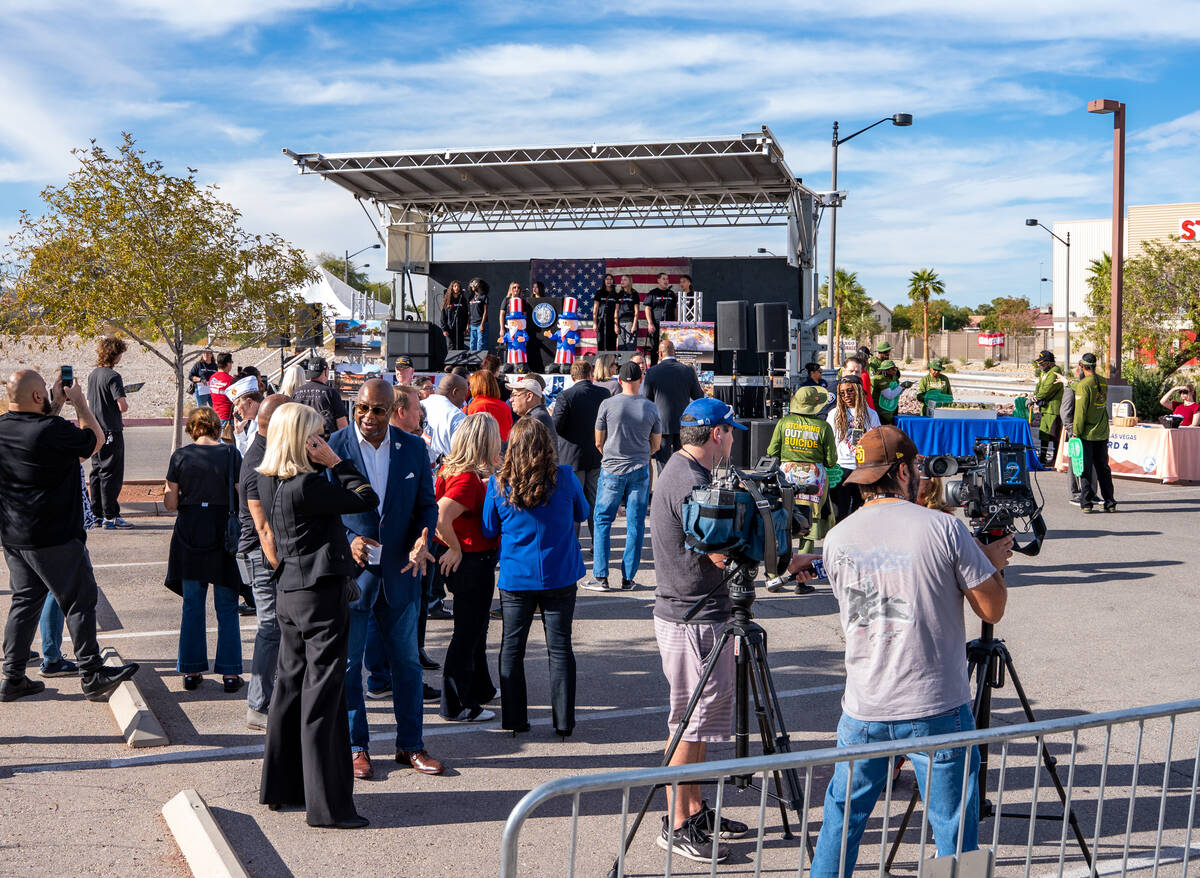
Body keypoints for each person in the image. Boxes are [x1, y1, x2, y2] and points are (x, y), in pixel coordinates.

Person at [810, 425, 1012, 878]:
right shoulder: (943, 528)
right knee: (954, 833)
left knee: (842, 821)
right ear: (905, 470)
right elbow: (992, 609)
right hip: (935, 704)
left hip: (865, 705)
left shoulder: (837, 538)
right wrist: (990, 564)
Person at [649, 396, 817, 862]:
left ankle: (695, 808)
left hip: (702, 613)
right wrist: (782, 558)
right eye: (730, 433)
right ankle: (677, 824)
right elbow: (720, 553)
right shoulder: (689, 482)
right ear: (717, 434)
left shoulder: (688, 473)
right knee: (687, 723)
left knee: (699, 724)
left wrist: (778, 554)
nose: (732, 442)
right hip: (692, 616)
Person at [255, 402, 375, 829]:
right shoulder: (308, 485)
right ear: (303, 439)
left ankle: (283, 788)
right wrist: (337, 461)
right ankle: (328, 807)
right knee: (323, 696)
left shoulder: (268, 479)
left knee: (289, 690)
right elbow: (366, 497)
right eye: (317, 436)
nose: (322, 442)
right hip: (319, 596)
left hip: (289, 590)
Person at [0, 370, 138, 702]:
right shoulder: (54, 431)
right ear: (37, 397)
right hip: (55, 536)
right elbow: (96, 439)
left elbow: (39, 434)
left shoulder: (5, 428)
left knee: (25, 601)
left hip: (15, 536)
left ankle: (13, 676)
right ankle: (91, 674)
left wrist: (57, 403)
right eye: (44, 393)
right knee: (79, 598)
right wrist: (79, 402)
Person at [328, 380, 441, 781]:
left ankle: (410, 744)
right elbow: (320, 512)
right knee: (349, 667)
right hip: (353, 578)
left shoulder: (412, 447)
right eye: (362, 408)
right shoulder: (334, 446)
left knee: (408, 665)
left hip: (401, 575)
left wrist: (423, 538)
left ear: (393, 409)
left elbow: (426, 506)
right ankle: (357, 747)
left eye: (377, 410)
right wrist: (350, 540)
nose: (368, 417)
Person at [481, 418, 588, 736]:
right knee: (560, 647)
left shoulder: (499, 483)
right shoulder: (564, 477)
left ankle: (514, 719)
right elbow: (582, 512)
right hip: (560, 574)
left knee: (512, 648)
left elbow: (489, 528)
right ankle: (564, 722)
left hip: (517, 576)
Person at [163, 407, 244, 692]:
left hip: (190, 532)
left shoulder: (180, 457)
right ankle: (231, 673)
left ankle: (191, 670)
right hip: (223, 533)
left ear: (193, 428)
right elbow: (241, 494)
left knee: (192, 606)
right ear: (216, 427)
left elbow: (170, 504)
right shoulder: (232, 455)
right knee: (227, 607)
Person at [434, 413, 502, 723]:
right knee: (467, 633)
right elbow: (439, 516)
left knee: (475, 630)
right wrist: (455, 547)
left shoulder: (455, 471)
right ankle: (456, 703)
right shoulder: (466, 479)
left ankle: (479, 687)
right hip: (472, 562)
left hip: (474, 560)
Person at [584, 361, 661, 592]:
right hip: (639, 470)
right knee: (635, 525)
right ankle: (628, 578)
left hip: (611, 469)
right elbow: (655, 445)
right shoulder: (651, 407)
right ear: (640, 380)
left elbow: (598, 441)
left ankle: (600, 576)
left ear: (619, 380)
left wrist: (611, 452)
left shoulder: (607, 404)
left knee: (603, 521)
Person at [239, 394, 289, 730]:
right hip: (260, 555)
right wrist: (283, 568)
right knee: (270, 628)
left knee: (276, 628)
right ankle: (258, 706)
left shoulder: (266, 452)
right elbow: (264, 529)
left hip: (262, 553)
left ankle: (273, 698)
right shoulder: (259, 461)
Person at [767, 385, 837, 556]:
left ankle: (780, 564)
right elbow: (831, 460)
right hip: (815, 480)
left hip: (787, 478)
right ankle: (802, 573)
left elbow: (771, 452)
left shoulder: (784, 423)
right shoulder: (824, 427)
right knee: (811, 523)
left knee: (784, 516)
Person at [551, 358, 609, 535]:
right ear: (590, 374)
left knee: (571, 502)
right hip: (597, 455)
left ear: (572, 376)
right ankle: (597, 543)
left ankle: (573, 544)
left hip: (571, 457)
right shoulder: (604, 394)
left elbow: (556, 426)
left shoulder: (565, 396)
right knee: (596, 503)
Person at [87, 335, 133, 530]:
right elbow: (122, 406)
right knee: (111, 473)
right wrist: (124, 397)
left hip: (95, 429)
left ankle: (96, 513)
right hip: (111, 429)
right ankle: (111, 515)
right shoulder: (113, 377)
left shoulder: (93, 374)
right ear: (115, 354)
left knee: (97, 471)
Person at [643, 338, 704, 472]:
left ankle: (664, 489)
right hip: (684, 424)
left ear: (659, 354)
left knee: (662, 464)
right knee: (683, 462)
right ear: (674, 352)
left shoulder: (652, 372)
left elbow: (646, 400)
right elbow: (699, 396)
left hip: (661, 425)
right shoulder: (688, 371)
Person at [827, 377, 881, 521]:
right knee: (840, 511)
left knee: (861, 511)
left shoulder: (871, 414)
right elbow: (830, 442)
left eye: (850, 391)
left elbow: (876, 441)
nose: (846, 396)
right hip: (841, 468)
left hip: (862, 468)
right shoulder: (834, 414)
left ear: (858, 390)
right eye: (842, 393)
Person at [1073, 353, 1116, 513]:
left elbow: (1080, 412)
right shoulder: (1103, 382)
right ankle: (1110, 502)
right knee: (1103, 468)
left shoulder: (1083, 385)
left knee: (1085, 468)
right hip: (1102, 431)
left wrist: (1076, 432)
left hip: (1088, 434)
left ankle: (1086, 502)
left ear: (1082, 366)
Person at [291, 356, 348, 439]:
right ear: (326, 372)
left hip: (302, 440)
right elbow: (342, 423)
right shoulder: (331, 392)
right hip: (326, 442)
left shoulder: (296, 392)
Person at [424, 373, 469, 461]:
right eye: (464, 395)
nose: (464, 400)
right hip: (445, 471)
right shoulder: (457, 417)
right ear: (455, 392)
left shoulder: (419, 405)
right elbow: (461, 457)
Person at [1033, 350, 1064, 465]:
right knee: (1044, 434)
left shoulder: (1055, 371)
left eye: (1043, 363)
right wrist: (1035, 396)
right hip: (1045, 408)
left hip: (1054, 408)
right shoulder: (1044, 372)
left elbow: (1047, 389)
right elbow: (1039, 386)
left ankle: (1056, 458)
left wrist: (1035, 399)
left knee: (1054, 434)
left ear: (1050, 363)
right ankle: (1042, 457)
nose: (1040, 366)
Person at [466, 369, 513, 442]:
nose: (470, 389)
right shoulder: (505, 406)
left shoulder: (473, 407)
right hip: (502, 450)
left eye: (471, 386)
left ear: (476, 387)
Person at [642, 272, 678, 363]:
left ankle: (667, 366)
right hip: (656, 325)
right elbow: (647, 308)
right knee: (655, 348)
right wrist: (650, 323)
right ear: (658, 281)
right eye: (663, 279)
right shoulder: (653, 293)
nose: (666, 281)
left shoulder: (671, 293)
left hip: (669, 326)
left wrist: (676, 322)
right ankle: (654, 367)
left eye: (667, 279)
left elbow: (675, 309)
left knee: (668, 347)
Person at [870, 359, 906, 426]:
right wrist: (901, 386)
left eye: (895, 368)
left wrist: (903, 388)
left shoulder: (893, 379)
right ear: (886, 370)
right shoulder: (879, 379)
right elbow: (889, 396)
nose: (895, 370)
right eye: (892, 369)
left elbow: (896, 393)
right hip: (880, 411)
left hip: (890, 409)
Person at [208, 352, 236, 427]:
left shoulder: (212, 378)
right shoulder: (231, 380)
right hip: (227, 417)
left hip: (215, 416)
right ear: (228, 364)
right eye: (231, 362)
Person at [440, 279, 469, 350]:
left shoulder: (462, 299)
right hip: (450, 328)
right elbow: (443, 316)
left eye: (458, 286)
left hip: (460, 329)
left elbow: (466, 315)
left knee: (460, 347)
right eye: (455, 286)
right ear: (451, 288)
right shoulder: (447, 300)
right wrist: (444, 329)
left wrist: (465, 328)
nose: (456, 288)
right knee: (451, 347)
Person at [593, 273, 619, 352]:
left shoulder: (615, 294)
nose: (609, 281)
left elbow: (616, 310)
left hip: (612, 322)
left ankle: (612, 363)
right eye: (607, 279)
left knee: (612, 345)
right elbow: (595, 308)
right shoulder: (599, 293)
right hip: (601, 321)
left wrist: (616, 324)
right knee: (601, 344)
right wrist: (595, 323)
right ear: (604, 281)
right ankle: (600, 363)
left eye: (611, 279)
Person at [232, 389, 263, 455]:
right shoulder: (254, 422)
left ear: (250, 402)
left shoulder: (266, 422)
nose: (235, 410)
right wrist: (239, 432)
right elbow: (246, 454)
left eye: (237, 404)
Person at [616, 275, 640, 351]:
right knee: (621, 347)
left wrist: (634, 324)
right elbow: (616, 311)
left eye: (625, 280)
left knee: (630, 347)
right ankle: (621, 363)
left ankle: (630, 362)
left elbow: (636, 311)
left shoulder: (634, 294)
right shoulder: (619, 294)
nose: (622, 281)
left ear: (629, 282)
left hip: (630, 322)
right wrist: (615, 325)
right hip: (620, 323)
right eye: (621, 280)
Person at [467, 278, 490, 352]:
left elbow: (485, 312)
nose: (472, 286)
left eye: (474, 284)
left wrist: (482, 324)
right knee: (472, 344)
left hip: (481, 324)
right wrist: (468, 324)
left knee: (480, 345)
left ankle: (481, 363)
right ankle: (472, 363)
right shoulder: (471, 297)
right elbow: (469, 312)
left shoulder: (484, 297)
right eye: (472, 284)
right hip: (472, 324)